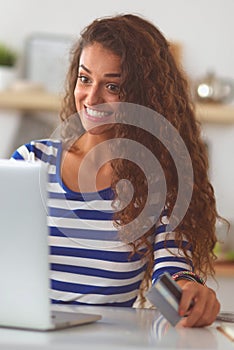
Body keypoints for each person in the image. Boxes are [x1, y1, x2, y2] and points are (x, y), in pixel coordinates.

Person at [12, 14, 221, 327]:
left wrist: (188, 290)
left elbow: (172, 271)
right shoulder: (31, 160)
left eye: (112, 86)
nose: (91, 98)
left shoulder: (158, 179)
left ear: (144, 96)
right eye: (85, 79)